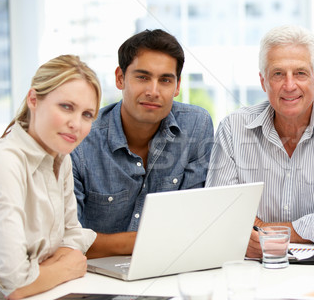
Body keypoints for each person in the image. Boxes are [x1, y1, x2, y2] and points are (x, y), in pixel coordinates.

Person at [207, 25, 314, 257]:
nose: (289, 85)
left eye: (300, 73)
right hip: (251, 265)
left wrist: (266, 231)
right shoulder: (233, 128)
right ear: (263, 81)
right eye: (278, 74)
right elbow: (220, 212)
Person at [71, 29, 214, 258]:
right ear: (120, 78)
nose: (153, 91)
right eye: (142, 77)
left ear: (177, 87)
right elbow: (69, 241)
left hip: (170, 267)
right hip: (96, 276)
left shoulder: (196, 125)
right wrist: (147, 241)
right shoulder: (81, 138)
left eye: (165, 80)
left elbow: (195, 225)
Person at [0, 55, 101, 300]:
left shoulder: (61, 157)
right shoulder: (5, 160)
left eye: (87, 114)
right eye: (66, 107)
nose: (77, 124)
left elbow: (73, 234)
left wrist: (43, 273)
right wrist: (66, 267)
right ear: (33, 100)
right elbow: (14, 283)